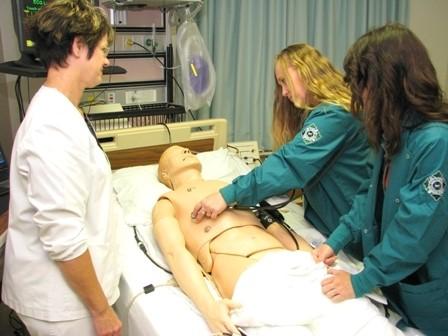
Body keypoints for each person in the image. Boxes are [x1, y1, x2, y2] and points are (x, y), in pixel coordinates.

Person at [153, 145, 403, 336]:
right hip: (253, 280)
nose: (186, 150)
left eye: (187, 148)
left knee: (365, 321)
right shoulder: (168, 201)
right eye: (177, 152)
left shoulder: (234, 187)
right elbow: (176, 254)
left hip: (295, 265)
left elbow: (273, 224)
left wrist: (313, 258)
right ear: (165, 173)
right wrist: (210, 308)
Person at [313, 23, 448, 336]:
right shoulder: (394, 135)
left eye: (364, 85)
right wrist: (336, 240)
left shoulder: (436, 143)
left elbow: (415, 232)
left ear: (389, 83)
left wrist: (361, 280)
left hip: (432, 299)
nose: (360, 96)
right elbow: (367, 197)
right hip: (399, 288)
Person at [2, 1, 123, 335]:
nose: (106, 60)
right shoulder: (51, 129)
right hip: (64, 307)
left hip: (67, 298)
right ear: (78, 46)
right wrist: (102, 311)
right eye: (101, 50)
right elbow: (63, 237)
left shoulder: (63, 113)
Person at [192, 44, 372, 259]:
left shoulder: (335, 117)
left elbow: (289, 164)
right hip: (332, 226)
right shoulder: (321, 113)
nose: (284, 92)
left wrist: (227, 194)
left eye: (283, 81)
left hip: (355, 231)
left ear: (303, 70)